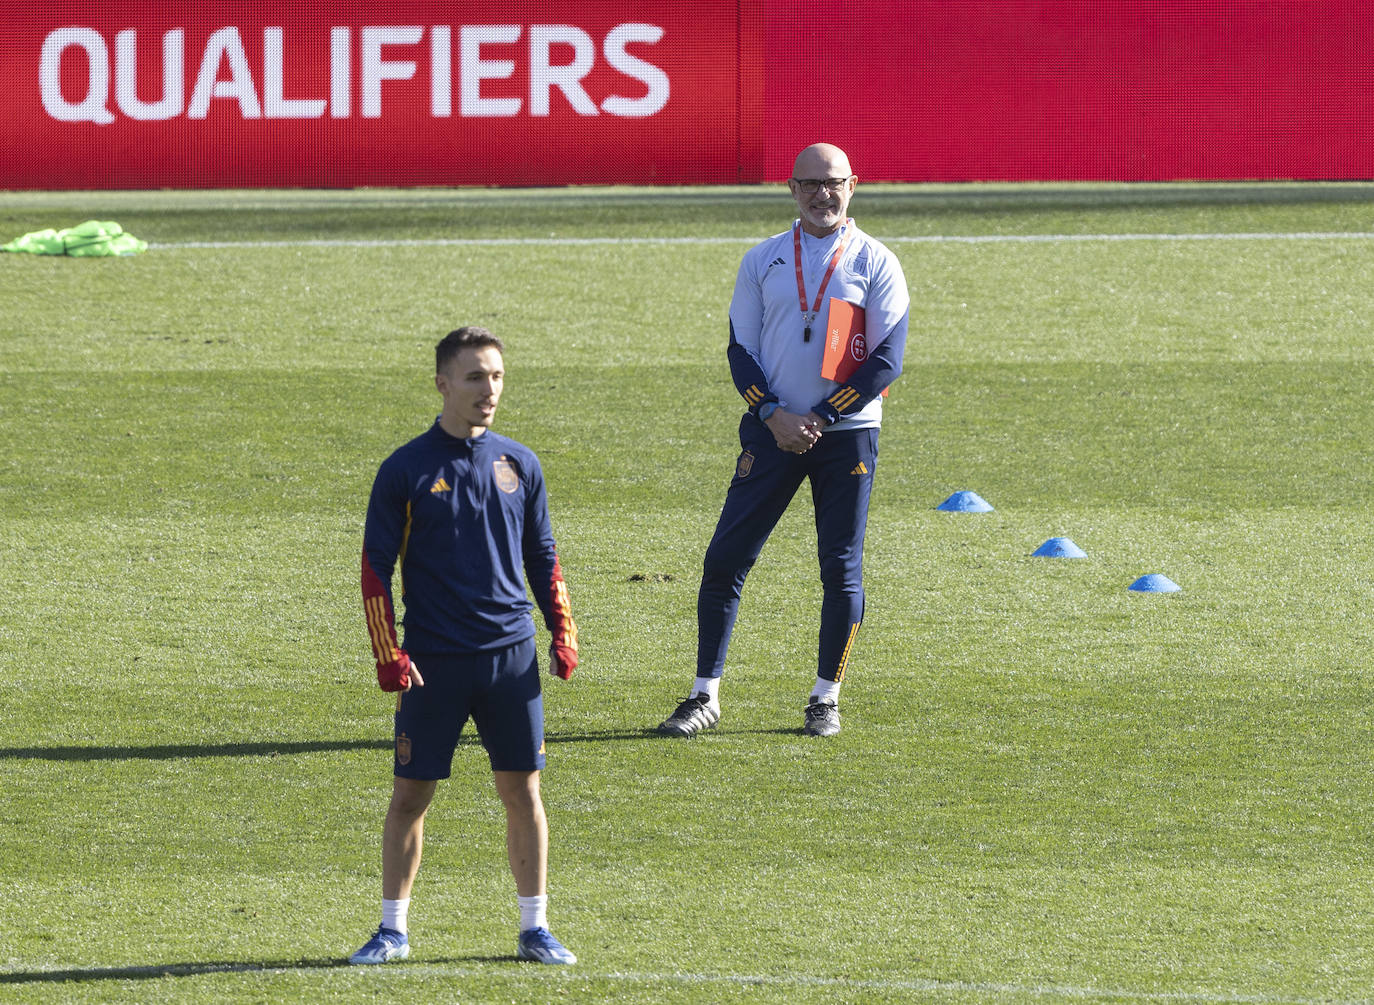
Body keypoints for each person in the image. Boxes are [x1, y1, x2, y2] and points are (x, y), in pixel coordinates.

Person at [658, 143, 909, 739]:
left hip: (845, 437)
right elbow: (739, 350)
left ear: (854, 185)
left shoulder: (877, 262)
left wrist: (820, 416)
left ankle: (825, 698)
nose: (824, 194)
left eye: (835, 183)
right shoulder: (763, 259)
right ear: (792, 190)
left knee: (840, 569)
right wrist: (771, 412)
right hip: (770, 433)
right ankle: (703, 696)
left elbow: (885, 360)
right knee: (725, 559)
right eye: (811, 184)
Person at [349, 326, 580, 966]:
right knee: (410, 796)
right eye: (476, 377)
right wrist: (387, 652)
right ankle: (392, 929)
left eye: (498, 377)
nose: (489, 390)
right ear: (443, 384)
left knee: (523, 792)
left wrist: (563, 629)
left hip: (512, 660)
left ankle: (535, 927)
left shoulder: (519, 463)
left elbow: (545, 557)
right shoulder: (405, 469)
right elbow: (375, 569)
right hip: (435, 664)